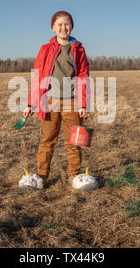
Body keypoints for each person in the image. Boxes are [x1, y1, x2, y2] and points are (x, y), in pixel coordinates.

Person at [23, 11, 90, 189]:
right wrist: (32, 103)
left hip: (72, 102)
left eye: (67, 24)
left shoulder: (78, 48)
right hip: (50, 101)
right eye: (59, 24)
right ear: (53, 28)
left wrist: (84, 104)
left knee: (74, 140)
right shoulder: (45, 49)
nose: (63, 27)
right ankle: (41, 176)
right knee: (47, 140)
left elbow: (83, 77)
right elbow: (38, 77)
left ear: (72, 26)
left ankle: (74, 176)